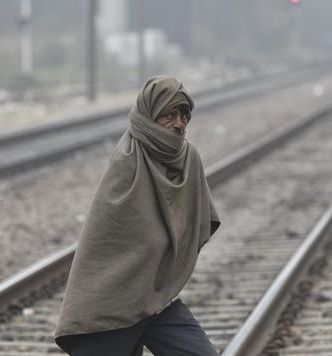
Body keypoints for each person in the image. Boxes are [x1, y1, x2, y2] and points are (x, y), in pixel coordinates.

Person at [55, 76, 221, 356]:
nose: (179, 123)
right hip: (112, 310)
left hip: (157, 301)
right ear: (149, 117)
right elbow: (111, 243)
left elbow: (199, 222)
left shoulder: (187, 158)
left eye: (184, 115)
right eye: (170, 115)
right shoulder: (127, 163)